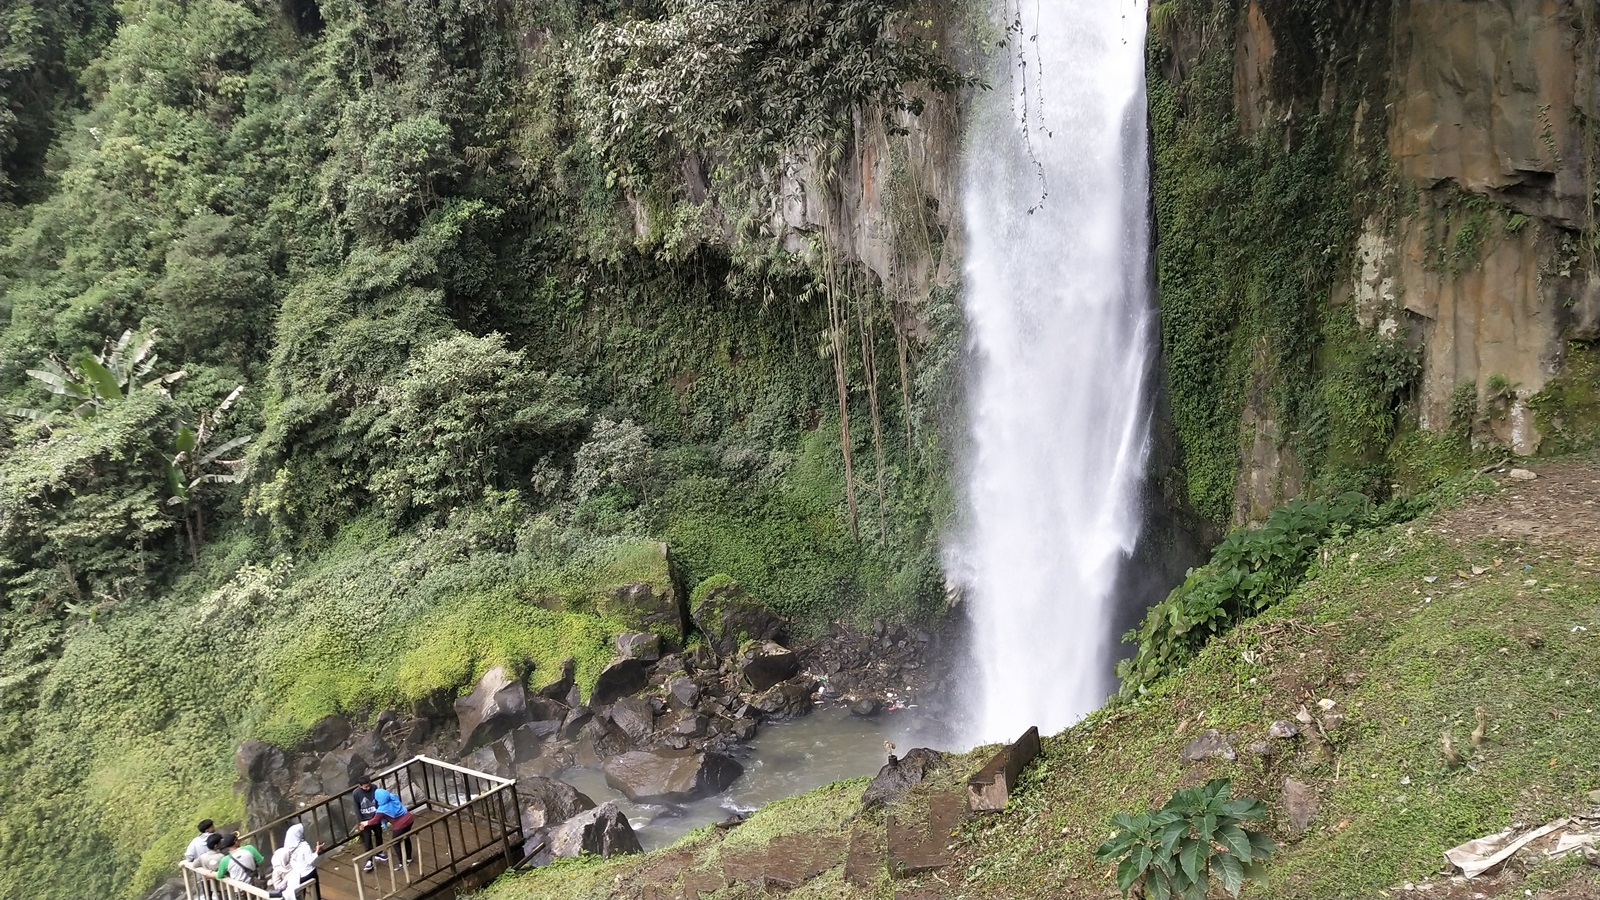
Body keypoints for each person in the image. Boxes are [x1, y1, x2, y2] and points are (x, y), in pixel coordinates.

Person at [360, 787, 415, 870]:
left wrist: (365, 823)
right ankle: (409, 858)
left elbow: (375, 820)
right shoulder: (393, 797)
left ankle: (403, 862)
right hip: (409, 818)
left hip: (400, 825)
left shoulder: (382, 809)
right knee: (405, 838)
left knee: (395, 843)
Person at [268, 823, 323, 900]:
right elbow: (310, 861)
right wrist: (316, 852)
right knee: (314, 874)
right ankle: (316, 897)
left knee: (300, 891)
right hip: (308, 873)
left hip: (297, 876)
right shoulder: (304, 845)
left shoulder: (287, 847)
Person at [351, 776, 388, 872]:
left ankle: (379, 852)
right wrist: (360, 822)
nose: (368, 788)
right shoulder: (356, 793)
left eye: (368, 785)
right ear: (360, 786)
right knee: (367, 840)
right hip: (364, 819)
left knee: (379, 835)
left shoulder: (374, 788)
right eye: (365, 787)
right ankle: (369, 859)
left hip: (375, 817)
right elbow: (356, 808)